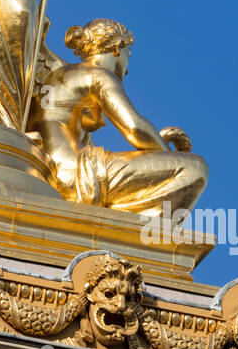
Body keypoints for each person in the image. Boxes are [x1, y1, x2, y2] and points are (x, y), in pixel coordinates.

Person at [26, 18, 207, 214]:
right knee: (195, 169)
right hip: (76, 173)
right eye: (128, 55)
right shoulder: (98, 75)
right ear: (117, 48)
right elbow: (134, 127)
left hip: (51, 169)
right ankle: (141, 235)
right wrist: (165, 155)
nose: (127, 69)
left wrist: (155, 144)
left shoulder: (58, 75)